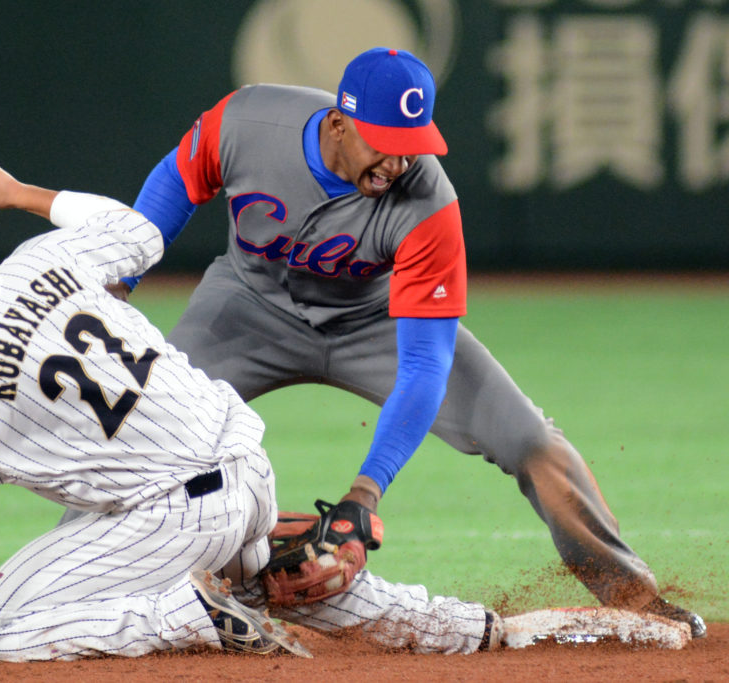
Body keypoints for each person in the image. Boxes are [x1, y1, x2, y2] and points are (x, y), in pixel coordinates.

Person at [0, 157, 503, 665]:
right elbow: (139, 231)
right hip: (247, 468)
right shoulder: (40, 256)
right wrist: (22, 195)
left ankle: (189, 613)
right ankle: (470, 631)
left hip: (176, 517)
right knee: (250, 574)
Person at [101, 47, 705, 637]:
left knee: (530, 440)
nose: (398, 163)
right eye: (384, 144)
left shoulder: (428, 203)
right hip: (244, 309)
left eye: (411, 145)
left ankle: (634, 596)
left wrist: (366, 491)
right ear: (338, 122)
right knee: (136, 427)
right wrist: (119, 282)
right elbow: (173, 186)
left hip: (375, 320)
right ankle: (85, 590)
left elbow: (423, 366)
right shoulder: (247, 123)